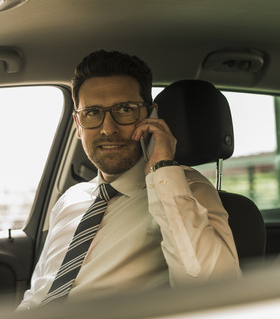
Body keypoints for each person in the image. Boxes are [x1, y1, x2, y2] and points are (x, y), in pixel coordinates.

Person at [16, 50, 242, 311]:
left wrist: (163, 169)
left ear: (151, 115)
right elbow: (37, 294)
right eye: (92, 113)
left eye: (125, 109)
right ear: (78, 125)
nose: (108, 128)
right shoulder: (69, 200)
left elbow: (215, 292)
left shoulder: (187, 190)